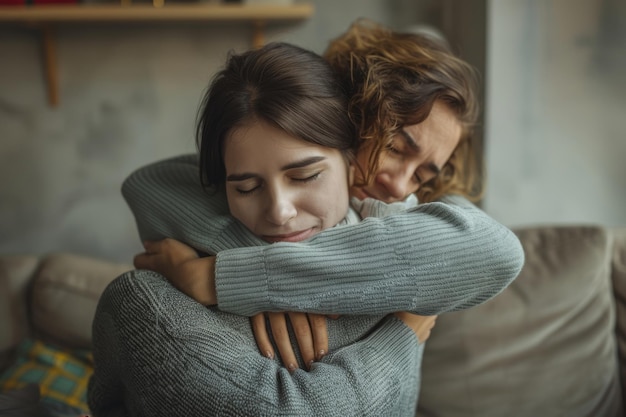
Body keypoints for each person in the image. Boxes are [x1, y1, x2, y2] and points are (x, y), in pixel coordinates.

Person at [123, 19, 524, 370]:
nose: (401, 185)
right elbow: (148, 185)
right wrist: (256, 264)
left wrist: (218, 278)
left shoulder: (405, 218)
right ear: (351, 117)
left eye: (422, 174)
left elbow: (497, 252)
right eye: (397, 148)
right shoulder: (280, 161)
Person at [89, 41, 455, 417]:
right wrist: (404, 333)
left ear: (353, 162)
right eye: (246, 188)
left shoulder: (401, 254)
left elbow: (494, 250)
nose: (279, 213)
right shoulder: (146, 303)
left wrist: (268, 277)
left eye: (306, 176)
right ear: (222, 186)